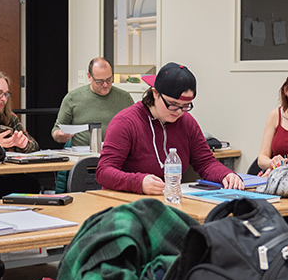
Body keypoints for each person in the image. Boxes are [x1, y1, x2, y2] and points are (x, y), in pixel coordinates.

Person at [97, 62, 243, 195]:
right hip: (124, 201)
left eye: (185, 106)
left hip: (166, 199)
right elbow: (104, 172)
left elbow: (205, 162)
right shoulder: (126, 122)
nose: (179, 111)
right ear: (155, 94)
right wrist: (139, 182)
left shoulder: (186, 122)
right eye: (172, 104)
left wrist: (226, 175)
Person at [51, 58, 133, 147]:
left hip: (116, 152)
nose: (105, 85)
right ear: (89, 77)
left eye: (109, 79)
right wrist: (59, 135)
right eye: (99, 81)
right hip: (81, 154)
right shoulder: (72, 98)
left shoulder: (125, 98)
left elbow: (138, 127)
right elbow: (56, 130)